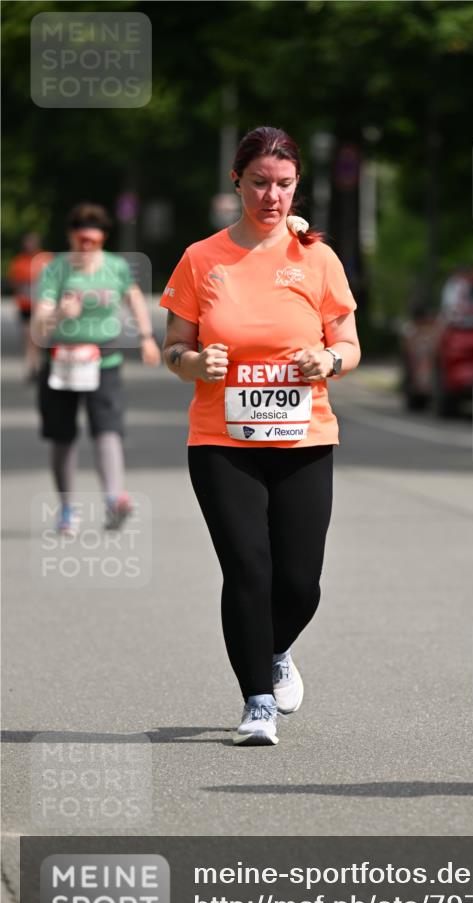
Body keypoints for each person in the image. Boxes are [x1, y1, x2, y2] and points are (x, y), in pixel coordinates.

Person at [161, 125, 361, 747]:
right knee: (248, 568)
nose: (271, 197)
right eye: (258, 184)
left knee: (299, 582)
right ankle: (257, 703)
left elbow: (350, 346)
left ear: (297, 186)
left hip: (303, 439)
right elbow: (173, 347)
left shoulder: (318, 259)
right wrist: (195, 365)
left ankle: (272, 649)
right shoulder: (202, 258)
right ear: (237, 182)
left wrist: (326, 363)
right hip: (222, 440)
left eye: (283, 185)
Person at [32, 202, 161, 535]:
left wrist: (146, 336)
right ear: (71, 237)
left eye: (93, 240)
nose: (87, 246)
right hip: (61, 360)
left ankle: (114, 498)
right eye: (81, 240)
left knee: (108, 428)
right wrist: (60, 312)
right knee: (62, 436)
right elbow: (39, 321)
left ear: (103, 238)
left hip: (103, 360)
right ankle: (66, 509)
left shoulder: (115, 267)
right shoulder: (55, 268)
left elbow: (132, 297)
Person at [7, 233, 52, 381]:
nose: (29, 246)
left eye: (32, 243)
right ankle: (32, 367)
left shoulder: (46, 259)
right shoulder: (19, 262)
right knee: (29, 338)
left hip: (43, 306)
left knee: (41, 338)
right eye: (27, 243)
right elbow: (13, 282)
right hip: (26, 306)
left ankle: (42, 366)